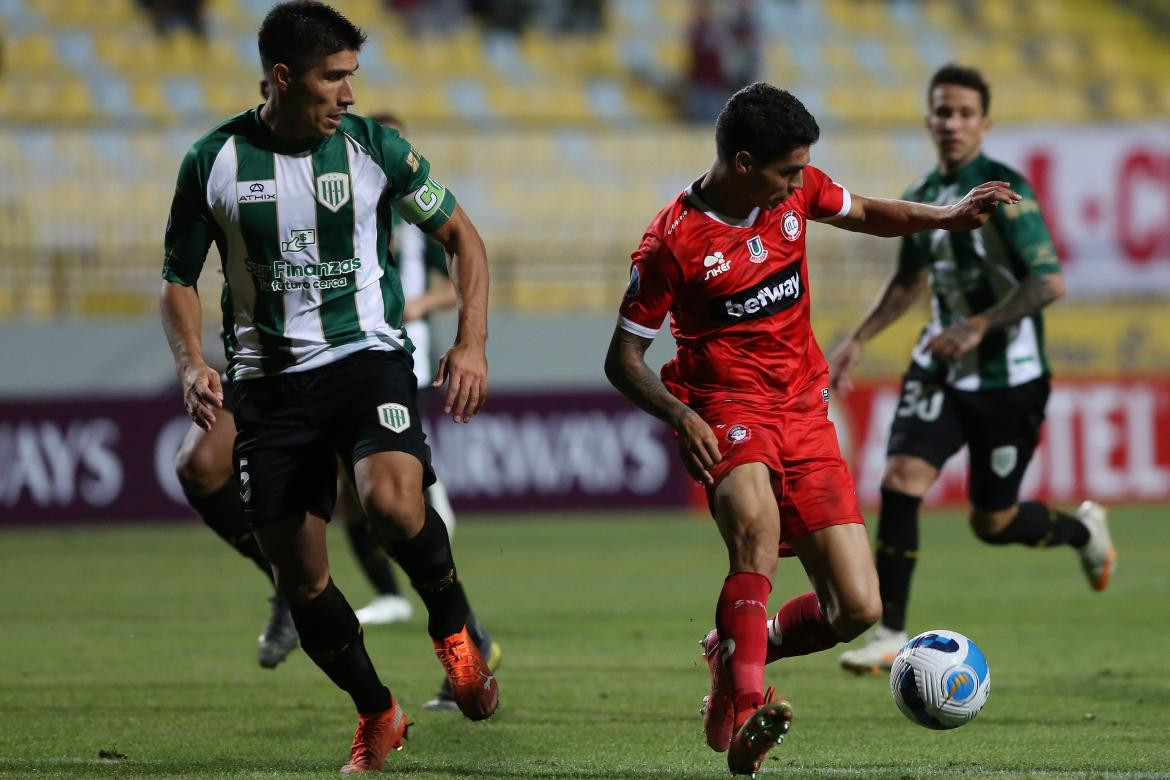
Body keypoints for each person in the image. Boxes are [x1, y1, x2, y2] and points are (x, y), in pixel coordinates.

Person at [604, 81, 1021, 776]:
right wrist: (681, 415)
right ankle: (745, 709)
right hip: (726, 408)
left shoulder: (794, 192)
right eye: (788, 170)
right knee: (756, 536)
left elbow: (867, 213)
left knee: (857, 608)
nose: (801, 182)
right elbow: (623, 358)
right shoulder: (672, 244)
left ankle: (733, 650)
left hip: (803, 410)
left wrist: (945, 218)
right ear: (743, 163)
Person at [160, 1, 497, 773]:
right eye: (333, 77)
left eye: (353, 76)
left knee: (389, 502)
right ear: (283, 78)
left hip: (365, 358)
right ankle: (379, 712)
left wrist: (472, 344)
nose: (349, 93)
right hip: (267, 385)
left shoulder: (374, 147)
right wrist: (190, 363)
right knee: (304, 580)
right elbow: (177, 278)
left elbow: (461, 236)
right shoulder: (212, 161)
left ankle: (457, 641)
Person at [831, 64, 1115, 676]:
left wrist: (980, 326)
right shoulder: (923, 192)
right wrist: (857, 339)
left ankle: (1083, 532)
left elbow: (1049, 282)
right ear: (928, 119)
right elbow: (908, 282)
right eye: (942, 111)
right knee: (901, 476)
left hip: (1008, 379)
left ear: (984, 124)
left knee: (993, 521)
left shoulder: (1007, 193)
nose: (951, 122)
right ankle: (890, 631)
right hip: (939, 366)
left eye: (963, 113)